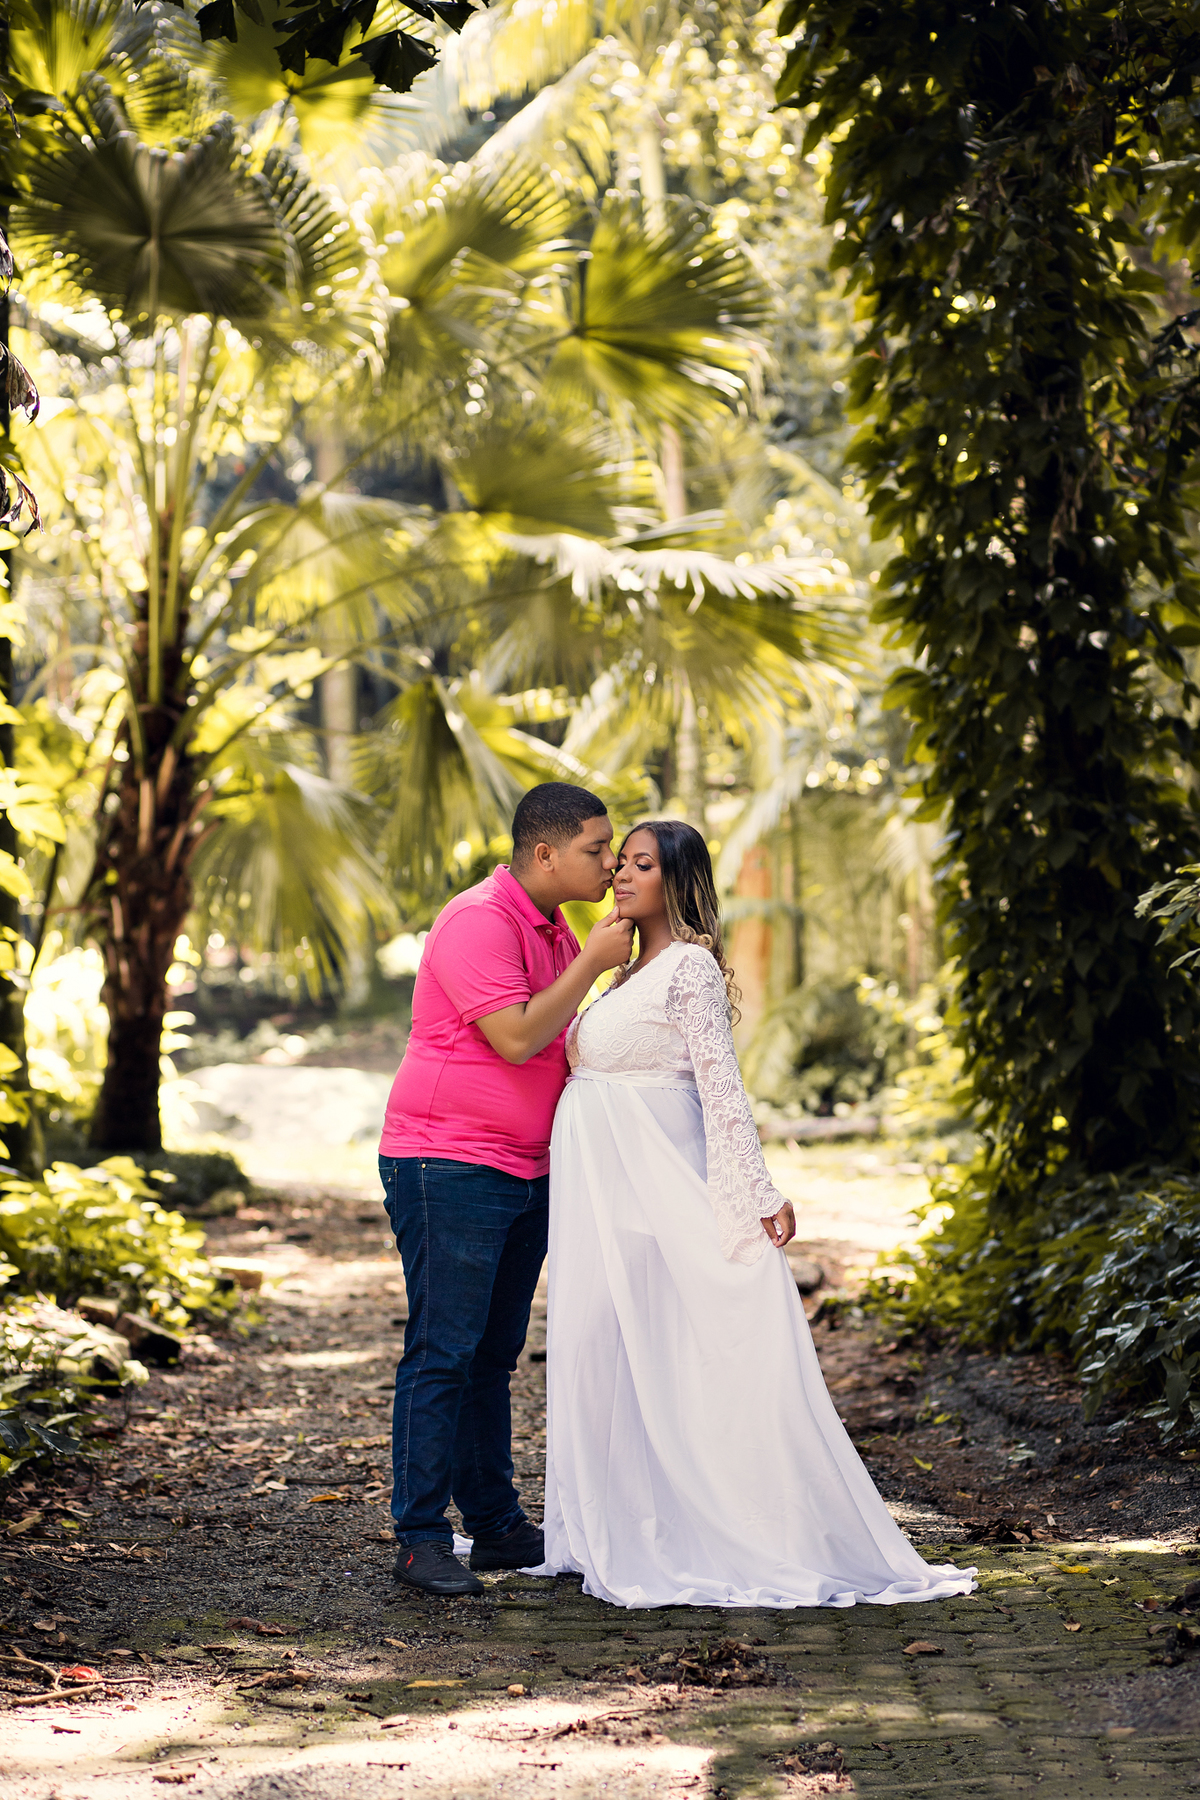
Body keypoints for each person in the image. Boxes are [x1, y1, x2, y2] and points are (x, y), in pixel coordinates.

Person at [540, 819, 976, 1608]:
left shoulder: (689, 970)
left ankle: (715, 1524)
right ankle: (615, 1521)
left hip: (658, 1187)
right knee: (603, 1351)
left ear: (676, 881)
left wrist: (757, 1189)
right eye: (621, 863)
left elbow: (718, 1085)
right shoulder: (625, 966)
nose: (621, 876)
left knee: (668, 1352)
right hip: (607, 1197)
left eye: (641, 865)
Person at [379, 783, 634, 1597]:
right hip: (447, 1163)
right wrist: (596, 962)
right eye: (597, 849)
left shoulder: (554, 929)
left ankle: (493, 1526)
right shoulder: (478, 920)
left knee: (493, 1353)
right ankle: (420, 1537)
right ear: (545, 853)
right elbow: (520, 1036)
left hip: (527, 1170)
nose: (610, 863)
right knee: (444, 1349)